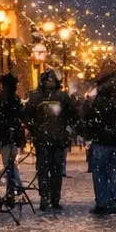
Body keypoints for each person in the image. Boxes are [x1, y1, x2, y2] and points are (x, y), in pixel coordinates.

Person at [25, 69, 80, 211]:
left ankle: (46, 197)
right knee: (55, 170)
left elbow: (27, 117)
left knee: (44, 169)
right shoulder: (61, 96)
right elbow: (73, 115)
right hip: (56, 139)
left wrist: (35, 130)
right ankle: (54, 198)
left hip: (44, 139)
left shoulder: (36, 97)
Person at [85, 64, 116, 215]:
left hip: (100, 141)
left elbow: (89, 117)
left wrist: (93, 132)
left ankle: (101, 202)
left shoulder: (98, 97)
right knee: (115, 172)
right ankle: (112, 202)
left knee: (99, 173)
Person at [0, 72, 26, 203]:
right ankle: (16, 188)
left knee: (7, 164)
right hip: (14, 135)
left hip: (4, 135)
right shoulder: (15, 98)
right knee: (11, 163)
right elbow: (21, 115)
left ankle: (14, 189)